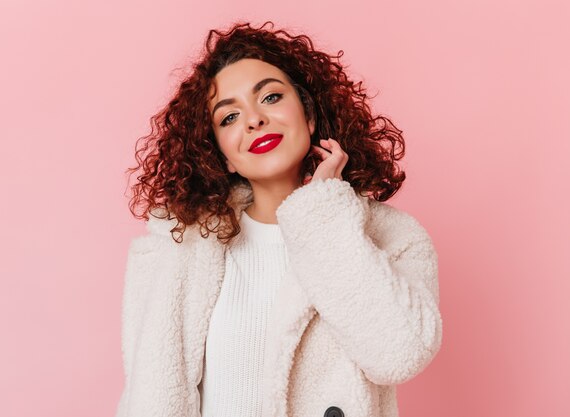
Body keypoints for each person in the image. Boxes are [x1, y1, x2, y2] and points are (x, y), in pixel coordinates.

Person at [116, 20, 443, 417]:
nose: (254, 120)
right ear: (219, 154)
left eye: (270, 97)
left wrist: (323, 212)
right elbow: (148, 397)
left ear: (309, 116)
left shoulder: (390, 237)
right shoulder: (176, 246)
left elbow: (399, 353)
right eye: (229, 118)